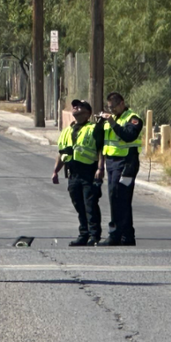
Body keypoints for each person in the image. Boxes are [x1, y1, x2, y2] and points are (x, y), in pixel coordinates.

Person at [52, 99, 102, 246]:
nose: (76, 108)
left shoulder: (94, 128)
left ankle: (94, 236)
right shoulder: (67, 130)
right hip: (73, 173)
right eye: (75, 106)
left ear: (88, 113)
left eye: (80, 107)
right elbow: (62, 153)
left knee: (90, 205)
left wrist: (100, 168)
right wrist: (55, 171)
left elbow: (101, 150)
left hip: (89, 172)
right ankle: (83, 234)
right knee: (79, 205)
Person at [96, 92, 144, 246]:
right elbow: (100, 139)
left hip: (126, 163)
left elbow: (128, 136)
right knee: (117, 198)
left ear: (122, 103)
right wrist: (100, 122)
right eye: (109, 108)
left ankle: (115, 234)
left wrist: (112, 122)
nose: (111, 110)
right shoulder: (113, 118)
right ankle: (127, 236)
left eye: (113, 107)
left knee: (118, 197)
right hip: (111, 163)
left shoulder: (133, 119)